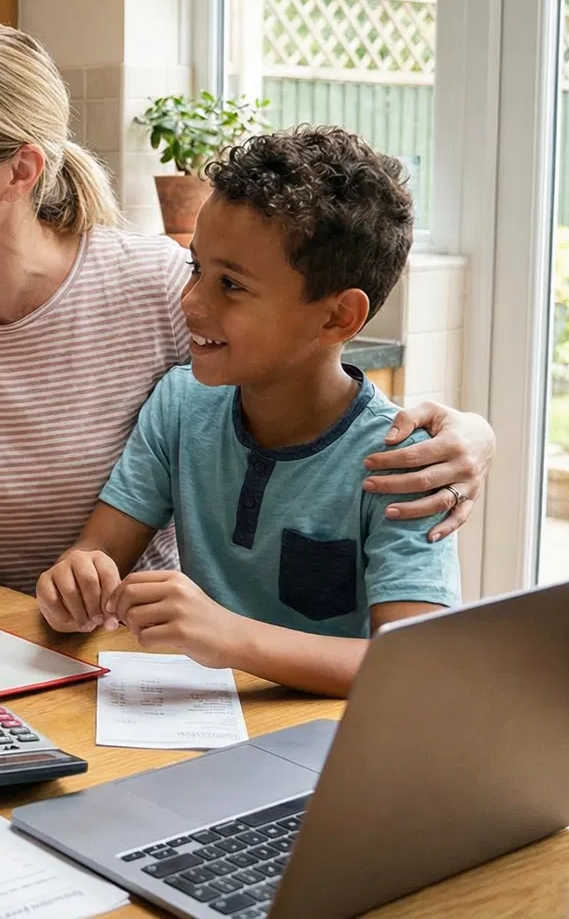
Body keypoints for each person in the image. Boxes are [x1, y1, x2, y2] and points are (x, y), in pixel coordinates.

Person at [0, 17, 495, 596]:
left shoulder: (159, 285)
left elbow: (296, 378)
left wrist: (474, 435)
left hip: (134, 651)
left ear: (20, 171)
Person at [35, 126, 460, 697]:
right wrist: (74, 585)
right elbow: (95, 553)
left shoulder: (407, 465)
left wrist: (232, 638)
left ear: (337, 318)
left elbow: (417, 667)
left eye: (231, 285)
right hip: (202, 734)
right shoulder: (181, 404)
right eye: (196, 270)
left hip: (329, 754)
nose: (191, 302)